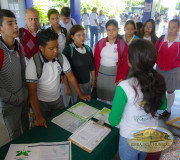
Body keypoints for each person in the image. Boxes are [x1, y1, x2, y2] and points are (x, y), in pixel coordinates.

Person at [109, 39, 167, 160]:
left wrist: (123, 124)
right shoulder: (160, 80)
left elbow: (113, 121)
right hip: (149, 133)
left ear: (130, 61)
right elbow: (163, 106)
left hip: (129, 137)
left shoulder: (124, 87)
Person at [26, 29, 91, 128]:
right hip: (41, 103)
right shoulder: (33, 64)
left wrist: (80, 94)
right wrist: (38, 116)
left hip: (58, 100)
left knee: (62, 124)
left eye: (57, 47)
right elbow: (32, 92)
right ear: (41, 48)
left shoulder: (60, 58)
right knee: (43, 128)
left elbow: (70, 76)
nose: (56, 51)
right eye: (51, 48)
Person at [0, 9, 29, 140]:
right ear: (0, 28)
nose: (16, 26)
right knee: (15, 136)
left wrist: (25, 93)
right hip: (9, 104)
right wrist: (13, 99)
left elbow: (24, 72)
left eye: (16, 22)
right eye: (10, 23)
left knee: (26, 128)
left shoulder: (19, 47)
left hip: (23, 98)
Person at [94, 19, 128, 104]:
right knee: (102, 96)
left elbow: (126, 64)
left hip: (115, 75)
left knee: (113, 98)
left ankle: (111, 115)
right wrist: (95, 76)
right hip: (101, 75)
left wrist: (122, 78)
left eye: (114, 30)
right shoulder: (100, 43)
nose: (111, 32)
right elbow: (96, 60)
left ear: (118, 30)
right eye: (108, 30)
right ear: (106, 31)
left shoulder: (123, 44)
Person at [62, 25, 95, 104]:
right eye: (79, 35)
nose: (82, 37)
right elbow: (63, 73)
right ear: (72, 37)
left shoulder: (88, 49)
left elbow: (92, 66)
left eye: (83, 34)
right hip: (74, 86)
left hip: (87, 84)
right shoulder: (68, 50)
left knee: (86, 104)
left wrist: (93, 80)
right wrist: (67, 87)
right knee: (76, 106)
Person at [156, 19, 180, 120]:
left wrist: (174, 63)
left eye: (173, 27)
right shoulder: (162, 38)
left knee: (170, 90)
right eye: (169, 26)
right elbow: (155, 50)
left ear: (178, 28)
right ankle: (156, 106)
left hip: (173, 71)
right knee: (158, 89)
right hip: (160, 69)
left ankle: (168, 110)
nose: (170, 29)